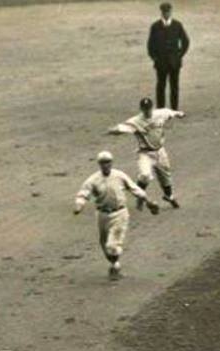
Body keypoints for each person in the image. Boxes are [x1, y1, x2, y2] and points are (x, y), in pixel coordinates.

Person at [73, 151, 160, 279]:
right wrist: (79, 206)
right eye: (103, 162)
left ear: (111, 163)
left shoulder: (119, 176)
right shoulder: (93, 179)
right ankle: (114, 263)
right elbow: (83, 193)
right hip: (102, 214)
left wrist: (148, 201)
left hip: (119, 213)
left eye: (108, 162)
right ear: (99, 164)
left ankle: (115, 267)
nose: (105, 165)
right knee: (103, 243)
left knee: (112, 245)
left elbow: (134, 189)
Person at [108, 97, 185, 209]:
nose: (147, 111)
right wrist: (110, 130)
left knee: (166, 177)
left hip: (160, 151)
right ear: (141, 109)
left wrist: (179, 114)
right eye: (145, 109)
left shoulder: (160, 113)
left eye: (148, 109)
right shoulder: (136, 121)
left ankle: (169, 196)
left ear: (152, 107)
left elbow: (171, 113)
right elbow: (121, 128)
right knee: (145, 175)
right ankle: (140, 197)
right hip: (145, 153)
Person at [147, 2, 190, 110]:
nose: (166, 14)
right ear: (161, 12)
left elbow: (185, 41)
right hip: (161, 63)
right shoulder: (155, 26)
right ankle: (161, 109)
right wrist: (155, 58)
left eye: (168, 11)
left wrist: (179, 55)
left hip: (174, 62)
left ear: (171, 11)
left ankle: (174, 109)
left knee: (174, 87)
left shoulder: (177, 25)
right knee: (161, 87)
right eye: (164, 12)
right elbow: (150, 45)